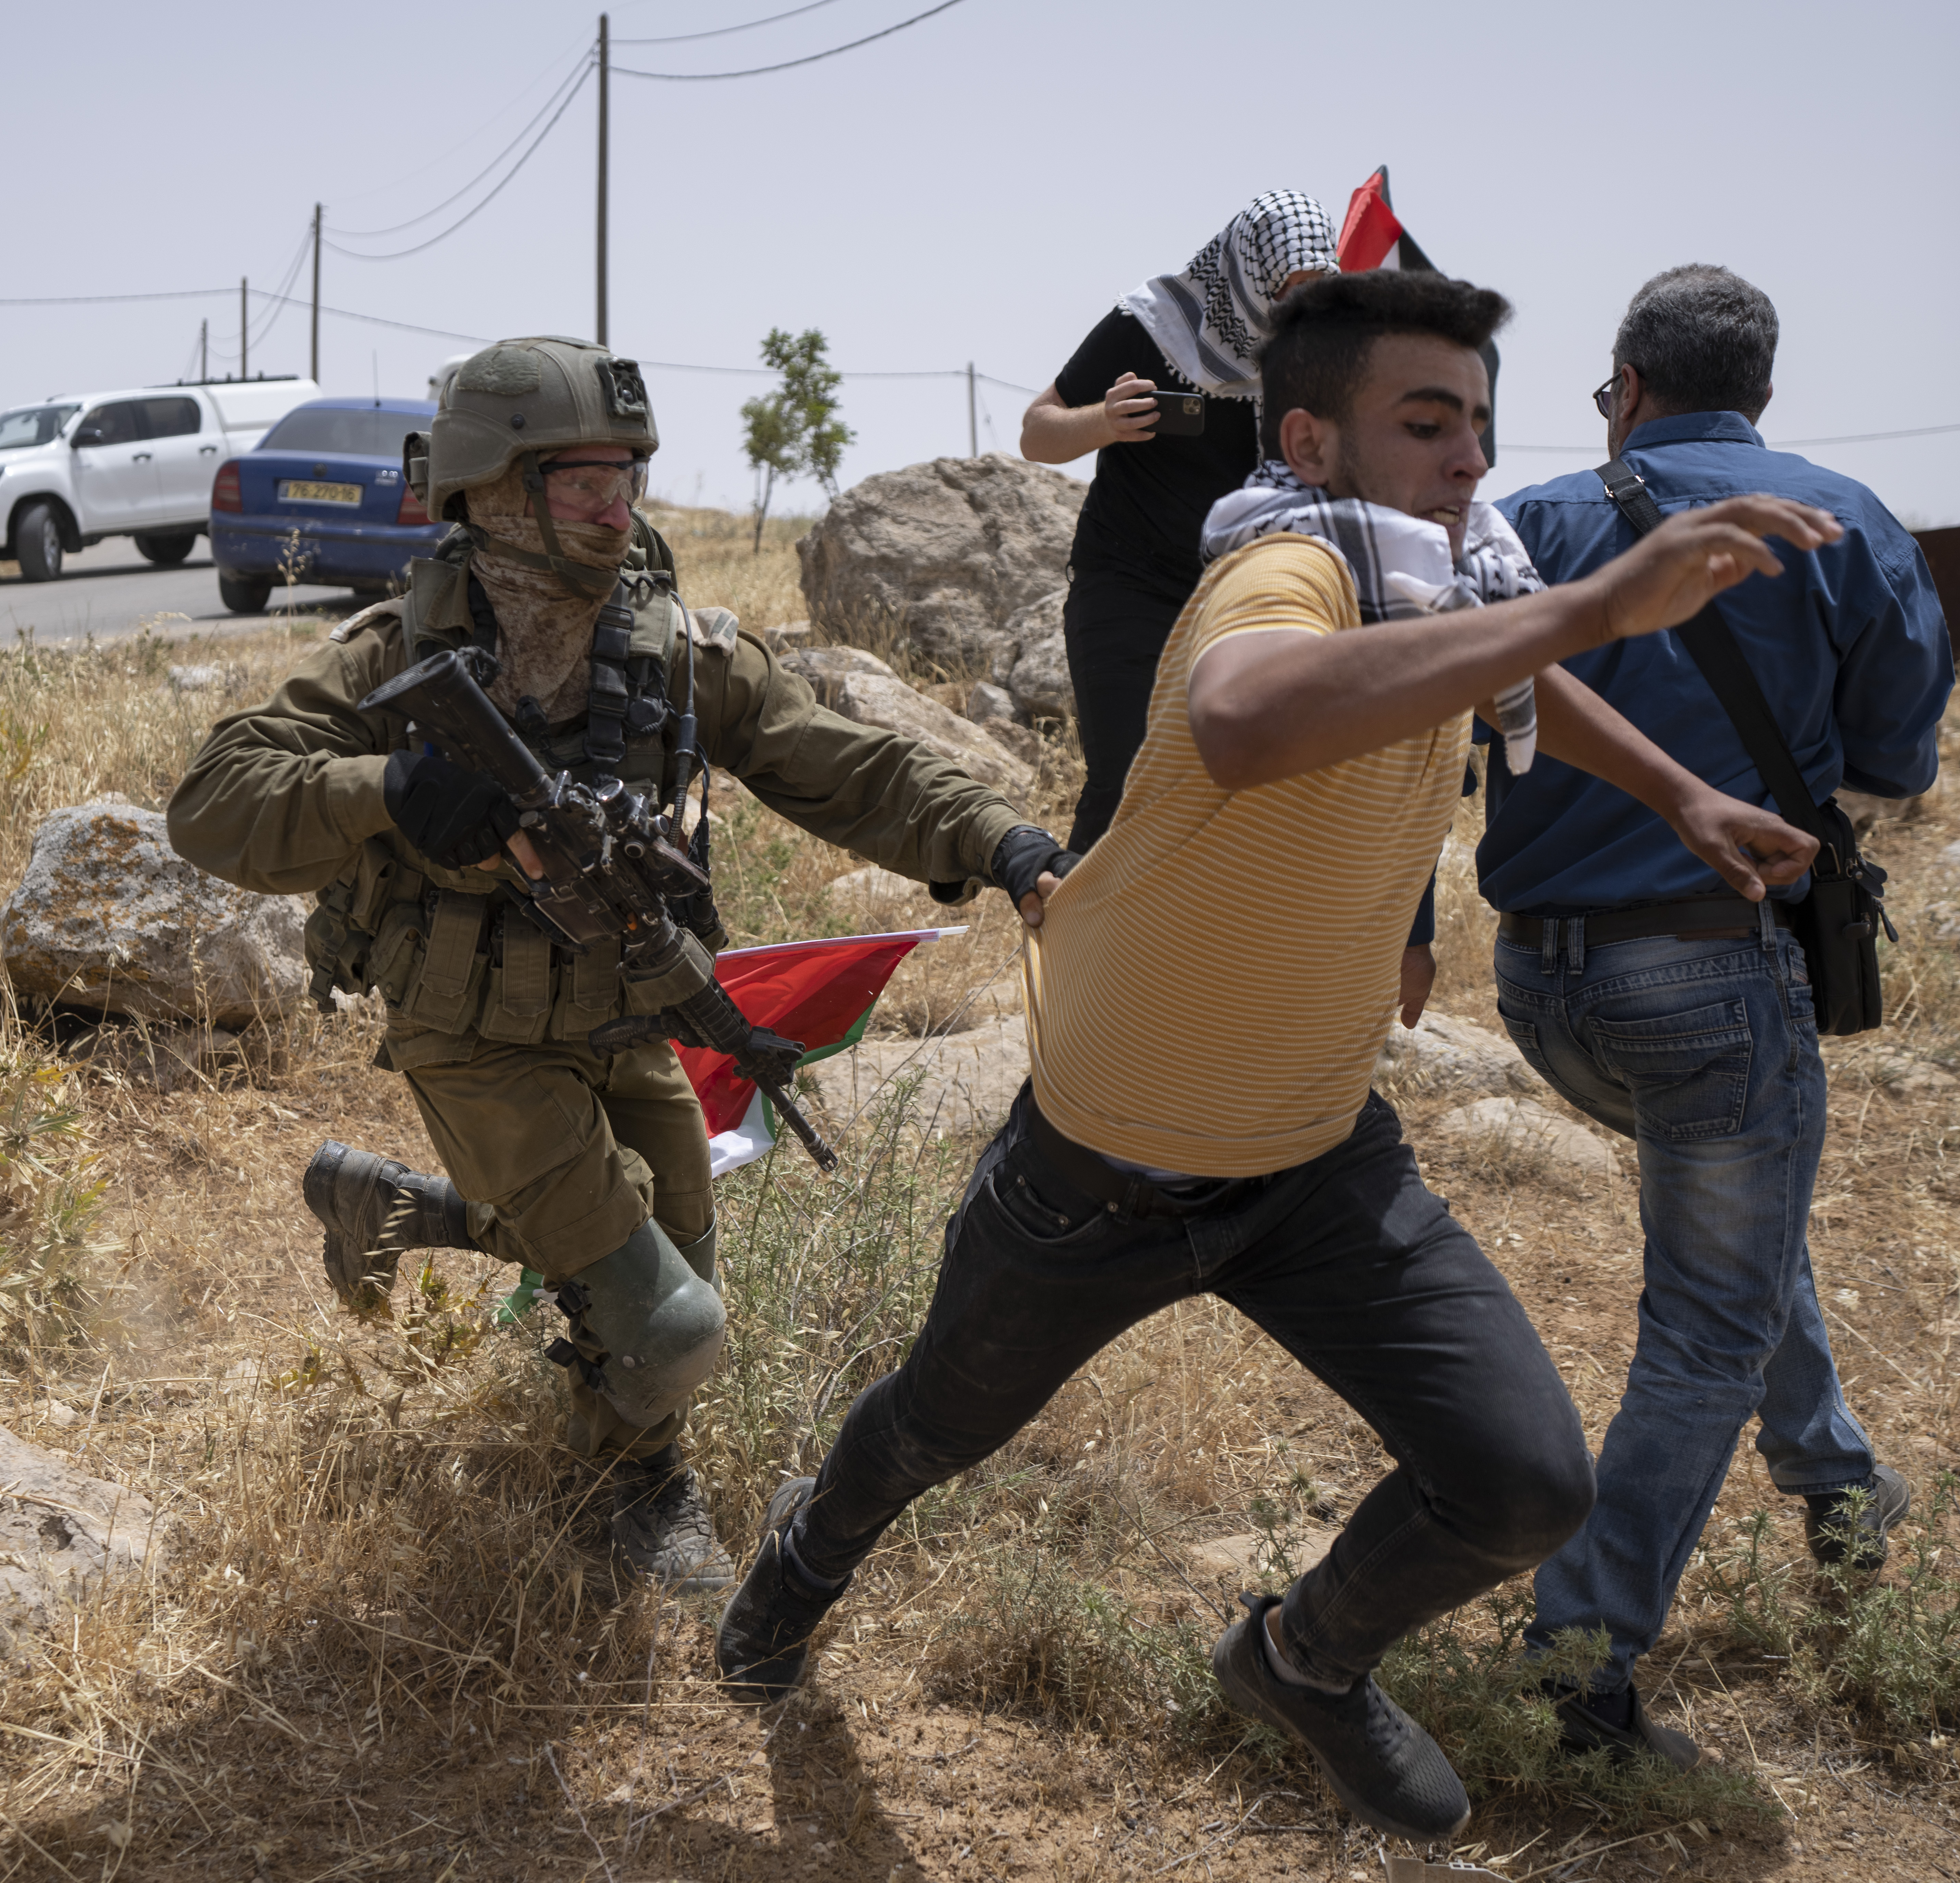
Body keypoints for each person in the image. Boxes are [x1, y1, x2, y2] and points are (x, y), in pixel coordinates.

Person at [714, 271, 1844, 1842]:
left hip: (1317, 1161)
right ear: (1309, 446)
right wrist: (1592, 599)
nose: (1469, 458)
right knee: (932, 1428)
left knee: (1526, 1488)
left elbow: (1525, 682)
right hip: (1101, 1172)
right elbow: (1245, 719)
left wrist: (1682, 799)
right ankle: (807, 1557)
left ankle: (1304, 1660)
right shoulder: (1280, 572)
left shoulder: (1439, 590)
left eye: (1482, 425)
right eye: (1425, 421)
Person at [166, 336, 1075, 1593]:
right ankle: (639, 1493)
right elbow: (213, 801)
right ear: (488, 490)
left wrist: (1005, 840)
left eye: (625, 477)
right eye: (580, 480)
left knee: (659, 1273)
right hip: (469, 1036)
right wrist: (389, 790)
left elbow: (845, 762)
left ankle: (407, 1213)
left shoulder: (676, 651)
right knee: (671, 1324)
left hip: (624, 1015)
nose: (616, 506)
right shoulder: (389, 655)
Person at [1479, 265, 1953, 1767]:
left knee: (1738, 1224)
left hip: (1540, 984)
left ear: (1625, 377)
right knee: (1706, 1318)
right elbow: (1901, 759)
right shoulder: (1843, 520)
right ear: (1762, 386)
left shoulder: (1539, 522)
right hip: (1710, 971)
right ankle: (1579, 1664)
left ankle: (1835, 1479)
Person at [1021, 188, 1338, 851]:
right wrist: (1104, 421)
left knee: (1244, 797)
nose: (1300, 309)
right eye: (1288, 290)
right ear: (1248, 276)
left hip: (1242, 602)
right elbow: (1038, 435)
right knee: (1127, 783)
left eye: (1317, 289)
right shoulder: (1150, 326)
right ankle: (1074, 946)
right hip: (1127, 589)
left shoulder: (1319, 355)